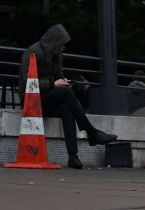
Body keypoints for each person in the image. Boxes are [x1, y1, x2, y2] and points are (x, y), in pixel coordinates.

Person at [18, 24, 117, 169]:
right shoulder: (32, 52)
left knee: (66, 108)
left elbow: (59, 77)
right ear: (54, 42)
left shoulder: (57, 54)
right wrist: (54, 83)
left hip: (47, 98)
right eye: (61, 45)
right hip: (31, 101)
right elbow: (27, 83)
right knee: (65, 94)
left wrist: (65, 83)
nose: (63, 48)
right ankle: (92, 133)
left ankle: (73, 156)